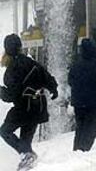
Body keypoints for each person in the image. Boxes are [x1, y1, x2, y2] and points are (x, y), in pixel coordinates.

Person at [0, 34, 58, 171]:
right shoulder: (32, 63)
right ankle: (28, 159)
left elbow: (12, 95)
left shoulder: (12, 69)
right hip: (38, 107)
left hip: (23, 108)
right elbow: (47, 78)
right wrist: (54, 90)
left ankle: (27, 156)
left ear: (7, 49)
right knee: (25, 141)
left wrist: (1, 91)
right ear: (20, 47)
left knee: (4, 131)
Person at [68, 38, 96, 152]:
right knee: (91, 130)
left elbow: (70, 81)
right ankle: (84, 151)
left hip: (78, 102)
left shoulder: (75, 66)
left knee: (80, 128)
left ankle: (77, 150)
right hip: (93, 103)